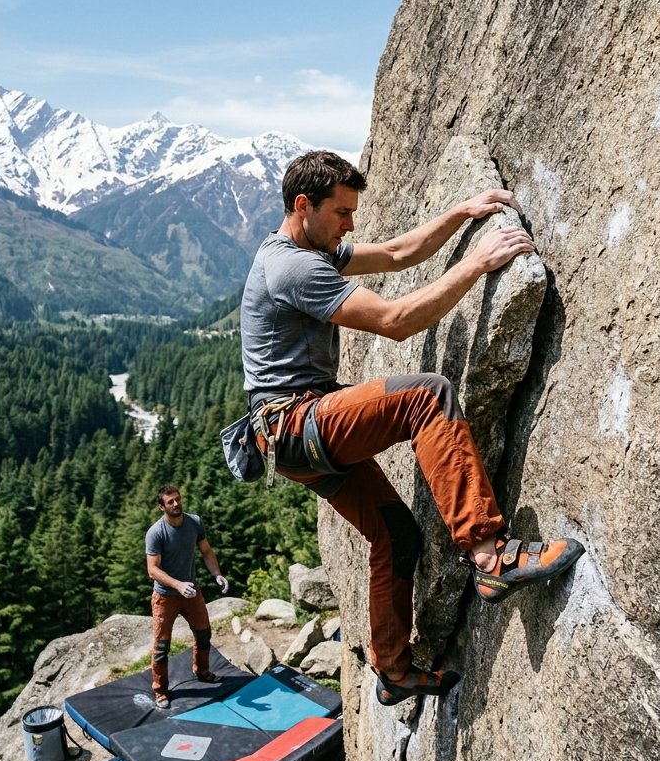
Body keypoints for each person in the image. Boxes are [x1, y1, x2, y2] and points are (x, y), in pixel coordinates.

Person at [240, 150, 585, 706]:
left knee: (396, 536)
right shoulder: (294, 266)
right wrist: (477, 263)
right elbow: (396, 322)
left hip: (291, 439)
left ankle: (394, 671)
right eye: (342, 213)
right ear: (303, 206)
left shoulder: (312, 246)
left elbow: (399, 253)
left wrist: (461, 212)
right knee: (425, 396)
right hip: (296, 424)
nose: (351, 225)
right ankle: (491, 556)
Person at [144, 484, 229, 710]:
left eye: (178, 499)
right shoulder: (156, 532)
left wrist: (217, 574)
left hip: (192, 591)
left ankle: (202, 671)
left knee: (204, 634)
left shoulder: (194, 522)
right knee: (162, 646)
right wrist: (177, 585)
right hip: (165, 597)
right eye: (170, 502)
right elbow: (152, 570)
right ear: (161, 507)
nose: (176, 504)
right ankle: (160, 690)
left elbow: (206, 551)